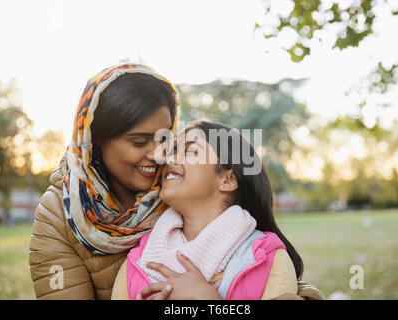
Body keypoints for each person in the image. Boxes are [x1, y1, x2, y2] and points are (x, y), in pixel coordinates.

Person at [29, 63, 324, 300]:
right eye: (139, 141)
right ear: (98, 141)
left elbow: (257, 263)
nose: (160, 155)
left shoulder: (175, 191)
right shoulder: (60, 213)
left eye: (165, 140)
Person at [111, 120, 323, 300]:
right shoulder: (138, 261)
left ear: (228, 179)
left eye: (191, 150)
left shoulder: (267, 259)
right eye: (173, 151)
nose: (170, 159)